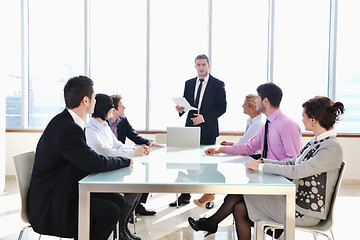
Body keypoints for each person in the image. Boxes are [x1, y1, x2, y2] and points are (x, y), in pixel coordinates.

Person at [188, 96, 345, 240]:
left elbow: (298, 171)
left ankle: (211, 223)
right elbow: (292, 162)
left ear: (313, 120)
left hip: (305, 211)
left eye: (303, 115)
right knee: (239, 207)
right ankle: (210, 223)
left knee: (238, 196)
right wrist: (262, 163)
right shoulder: (315, 142)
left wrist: (262, 168)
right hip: (294, 202)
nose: (301, 119)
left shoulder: (331, 147)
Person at [27, 76, 132, 240]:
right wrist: (124, 160)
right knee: (110, 212)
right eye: (94, 97)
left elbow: (86, 160)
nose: (96, 101)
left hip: (62, 189)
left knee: (117, 200)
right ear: (85, 100)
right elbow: (94, 162)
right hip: (51, 204)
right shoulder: (67, 128)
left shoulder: (67, 122)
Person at [85, 93, 150, 240]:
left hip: (110, 168)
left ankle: (123, 228)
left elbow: (117, 145)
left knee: (138, 187)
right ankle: (119, 231)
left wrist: (135, 151)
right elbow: (104, 152)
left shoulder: (104, 124)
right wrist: (134, 152)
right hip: (100, 174)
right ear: (105, 109)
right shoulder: (90, 128)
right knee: (134, 188)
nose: (112, 110)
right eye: (111, 107)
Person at [170, 54, 227, 207]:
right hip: (190, 128)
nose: (201, 67)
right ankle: (185, 195)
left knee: (208, 165)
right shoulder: (188, 83)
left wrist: (204, 118)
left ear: (208, 65)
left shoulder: (218, 84)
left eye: (203, 64)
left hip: (208, 129)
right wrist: (180, 109)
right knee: (189, 161)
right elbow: (186, 104)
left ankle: (208, 196)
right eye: (198, 65)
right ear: (195, 66)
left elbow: (222, 108)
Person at [194, 93, 265, 209]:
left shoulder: (258, 124)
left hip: (252, 158)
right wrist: (232, 143)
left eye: (245, 104)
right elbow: (247, 142)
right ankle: (209, 193)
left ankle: (209, 193)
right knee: (216, 162)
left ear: (252, 108)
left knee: (219, 164)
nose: (242, 106)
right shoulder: (253, 121)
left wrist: (221, 149)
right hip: (248, 154)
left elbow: (245, 145)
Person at [204, 82, 302, 162]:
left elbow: (293, 161)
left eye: (257, 98)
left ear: (265, 101)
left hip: (282, 181)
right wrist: (221, 150)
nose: (255, 101)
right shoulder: (268, 125)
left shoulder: (287, 125)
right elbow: (249, 148)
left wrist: (264, 166)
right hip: (269, 175)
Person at [108, 94, 161, 217]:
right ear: (114, 110)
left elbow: (134, 136)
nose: (124, 108)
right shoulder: (104, 122)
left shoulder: (123, 120)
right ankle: (128, 209)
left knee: (145, 171)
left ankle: (137, 206)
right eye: (122, 106)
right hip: (109, 158)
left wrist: (149, 142)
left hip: (123, 156)